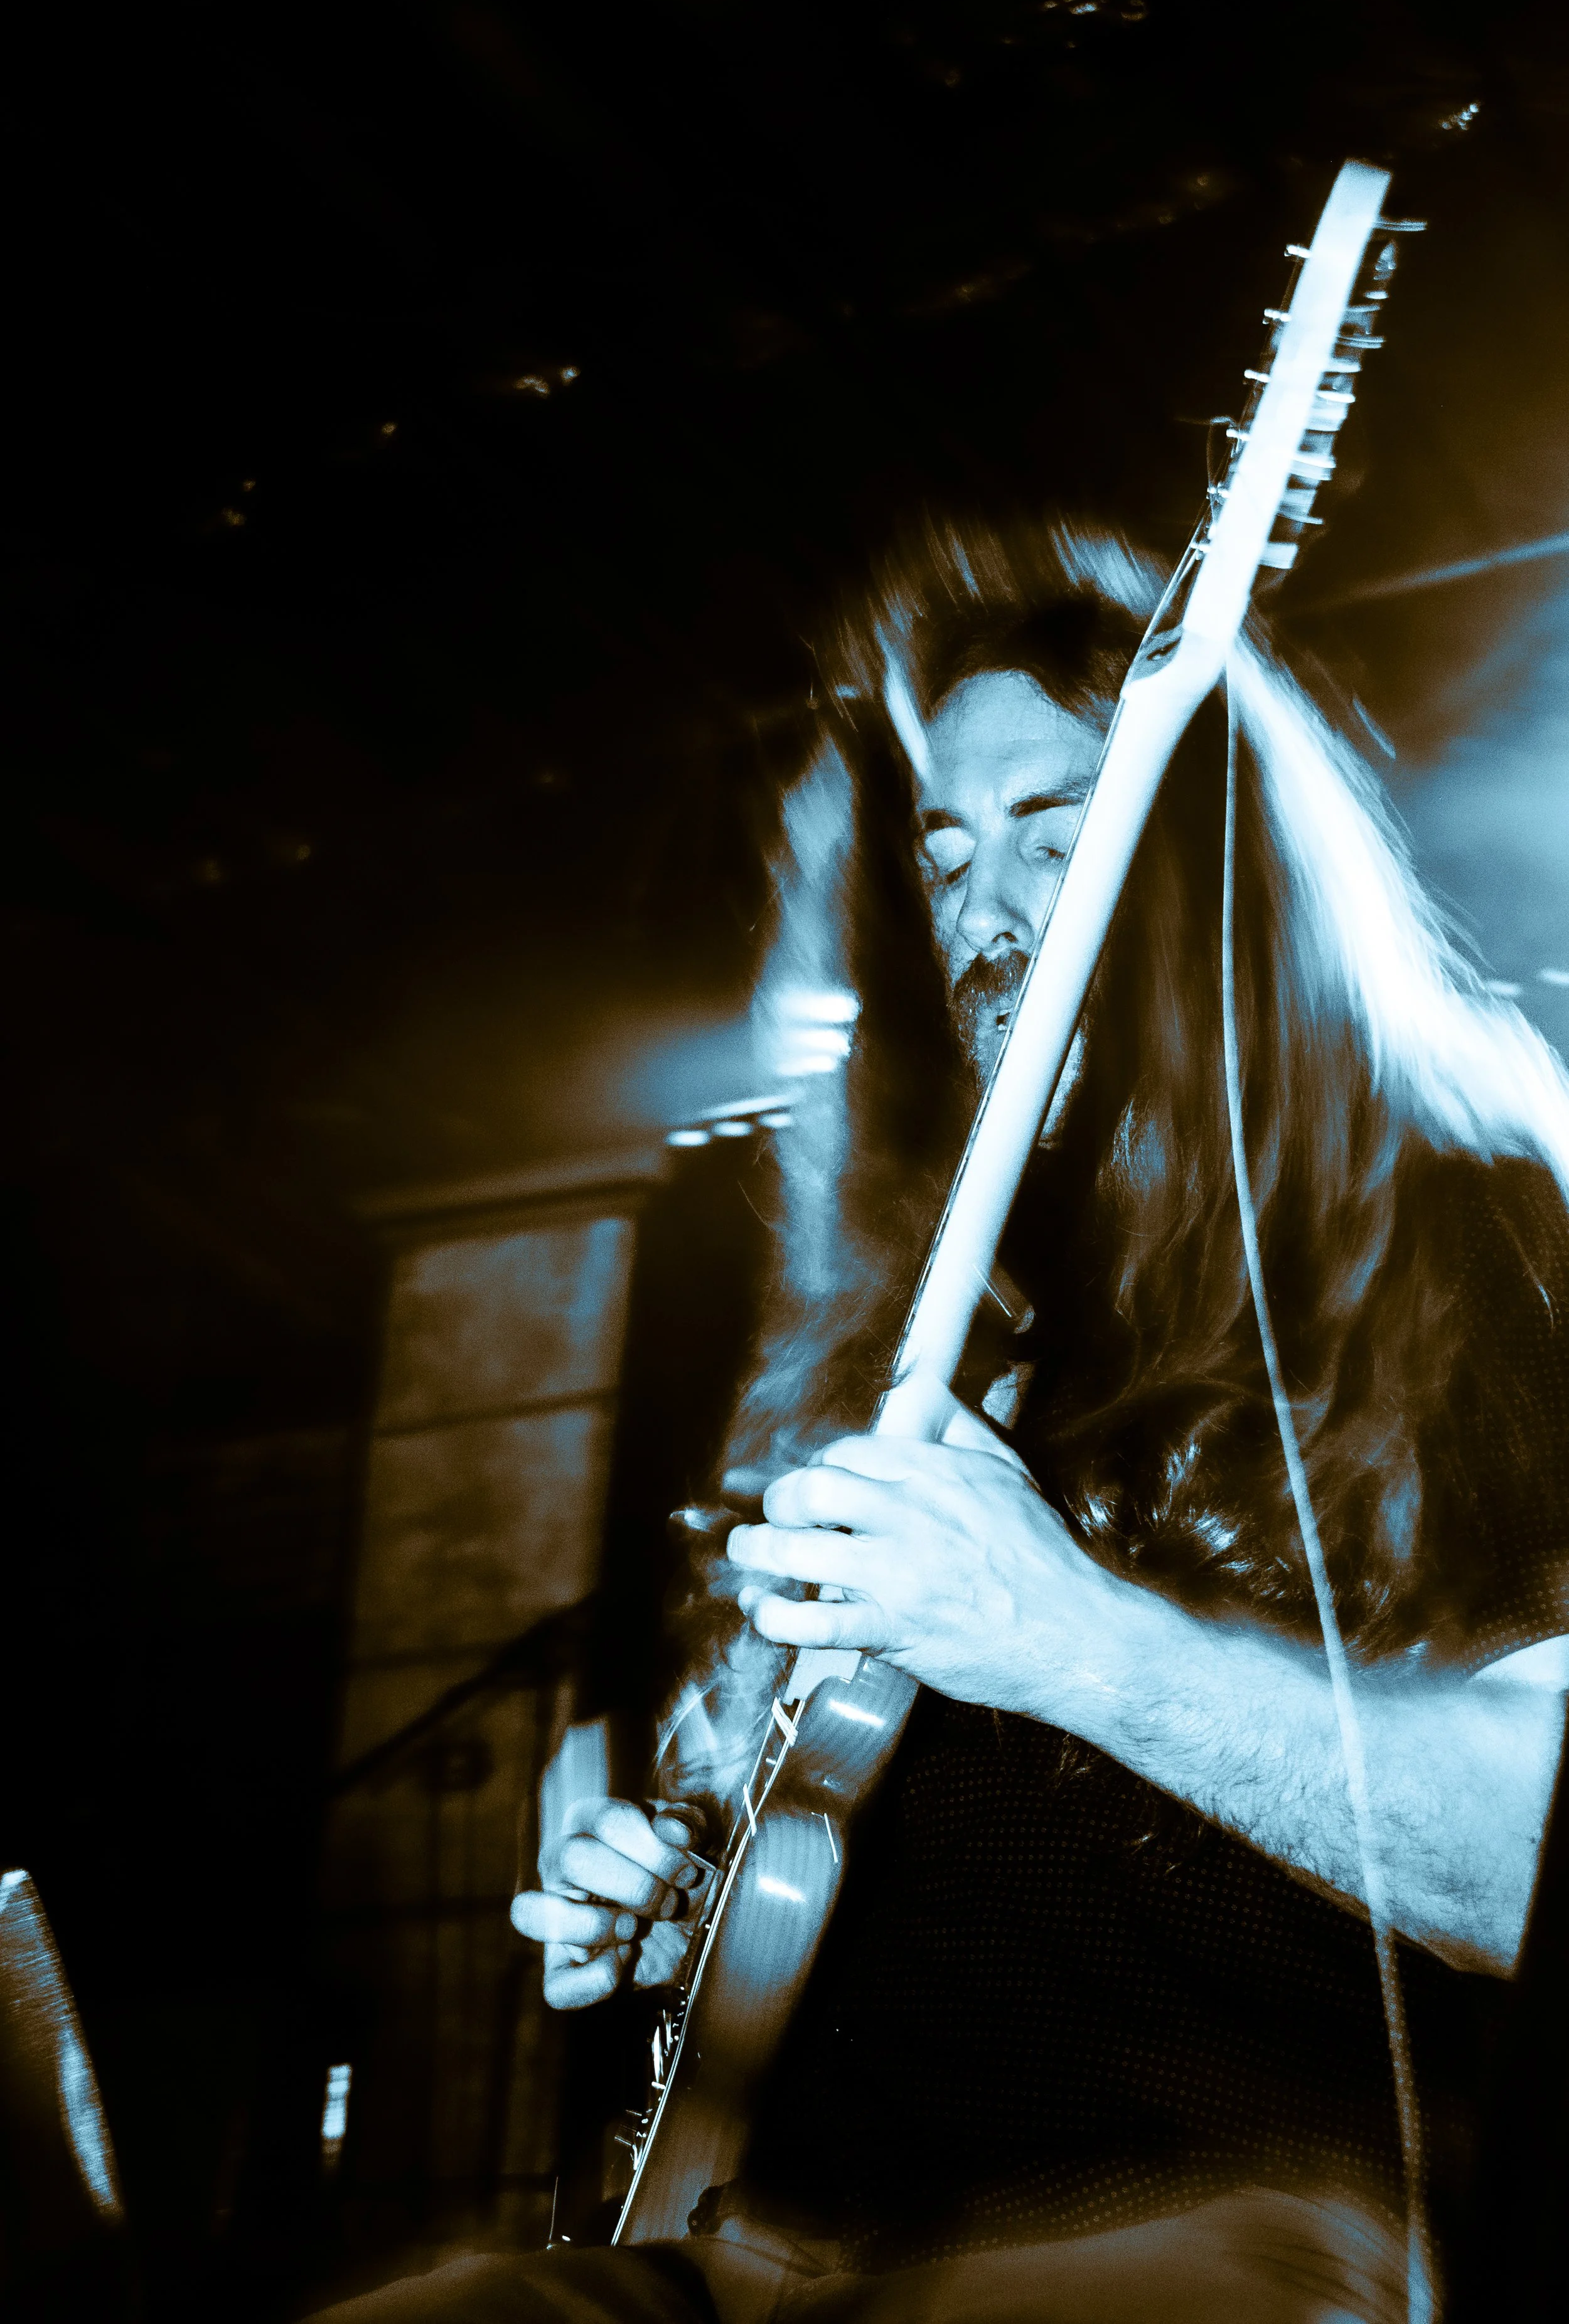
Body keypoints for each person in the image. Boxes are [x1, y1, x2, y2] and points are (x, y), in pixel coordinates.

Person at [318, 518, 1569, 2323]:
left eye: (1054, 828)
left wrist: (1070, 1637)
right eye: (946, 853)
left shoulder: (1473, 1226)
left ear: (1226, 860)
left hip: (1266, 2231)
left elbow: (1531, 1855)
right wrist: (694, 1904)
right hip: (789, 2247)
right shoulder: (940, 1339)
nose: (984, 914)